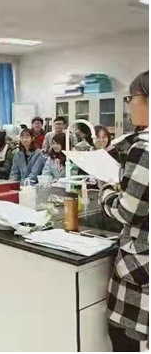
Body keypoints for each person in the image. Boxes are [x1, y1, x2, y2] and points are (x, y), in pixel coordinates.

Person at [100, 71, 149, 352]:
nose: (129, 105)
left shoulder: (144, 148)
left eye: (132, 98)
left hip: (140, 264)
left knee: (124, 336)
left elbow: (127, 212)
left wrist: (107, 189)